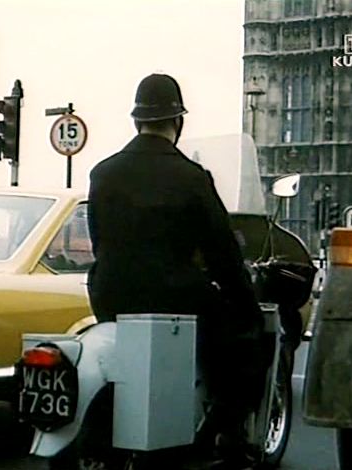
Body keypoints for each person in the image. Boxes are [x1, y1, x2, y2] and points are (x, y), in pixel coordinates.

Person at [86, 73, 263, 468]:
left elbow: (99, 241)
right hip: (174, 297)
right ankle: (225, 435)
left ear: (136, 122)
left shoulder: (103, 173)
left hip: (111, 296)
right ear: (178, 122)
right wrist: (245, 301)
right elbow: (222, 254)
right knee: (244, 341)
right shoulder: (192, 178)